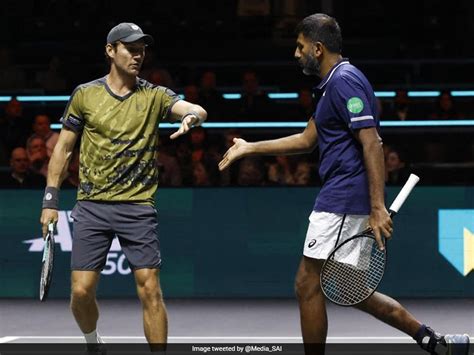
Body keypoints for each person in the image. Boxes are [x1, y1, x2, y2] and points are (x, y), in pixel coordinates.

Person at [219, 13, 470, 355]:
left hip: (343, 197)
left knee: (307, 284)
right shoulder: (329, 87)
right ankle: (431, 340)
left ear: (317, 48)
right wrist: (250, 148)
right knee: (353, 289)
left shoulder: (344, 81)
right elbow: (308, 139)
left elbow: (372, 142)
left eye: (300, 46)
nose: (296, 53)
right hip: (345, 196)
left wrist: (378, 206)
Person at [39, 22, 207, 350]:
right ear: (110, 50)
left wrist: (192, 116)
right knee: (81, 293)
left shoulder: (155, 96)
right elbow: (63, 149)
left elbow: (193, 108)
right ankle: (93, 342)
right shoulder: (85, 95)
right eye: (130, 48)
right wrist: (50, 199)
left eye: (141, 49)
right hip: (92, 205)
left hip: (137, 207)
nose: (137, 55)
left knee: (150, 289)